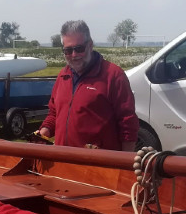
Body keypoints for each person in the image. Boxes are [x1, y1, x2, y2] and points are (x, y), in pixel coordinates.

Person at [38, 20, 138, 151]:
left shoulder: (113, 75)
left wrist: (125, 163)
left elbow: (127, 123)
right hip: (63, 160)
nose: (74, 55)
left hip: (98, 163)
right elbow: (54, 113)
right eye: (68, 50)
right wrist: (45, 131)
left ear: (90, 45)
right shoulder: (63, 76)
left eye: (79, 49)